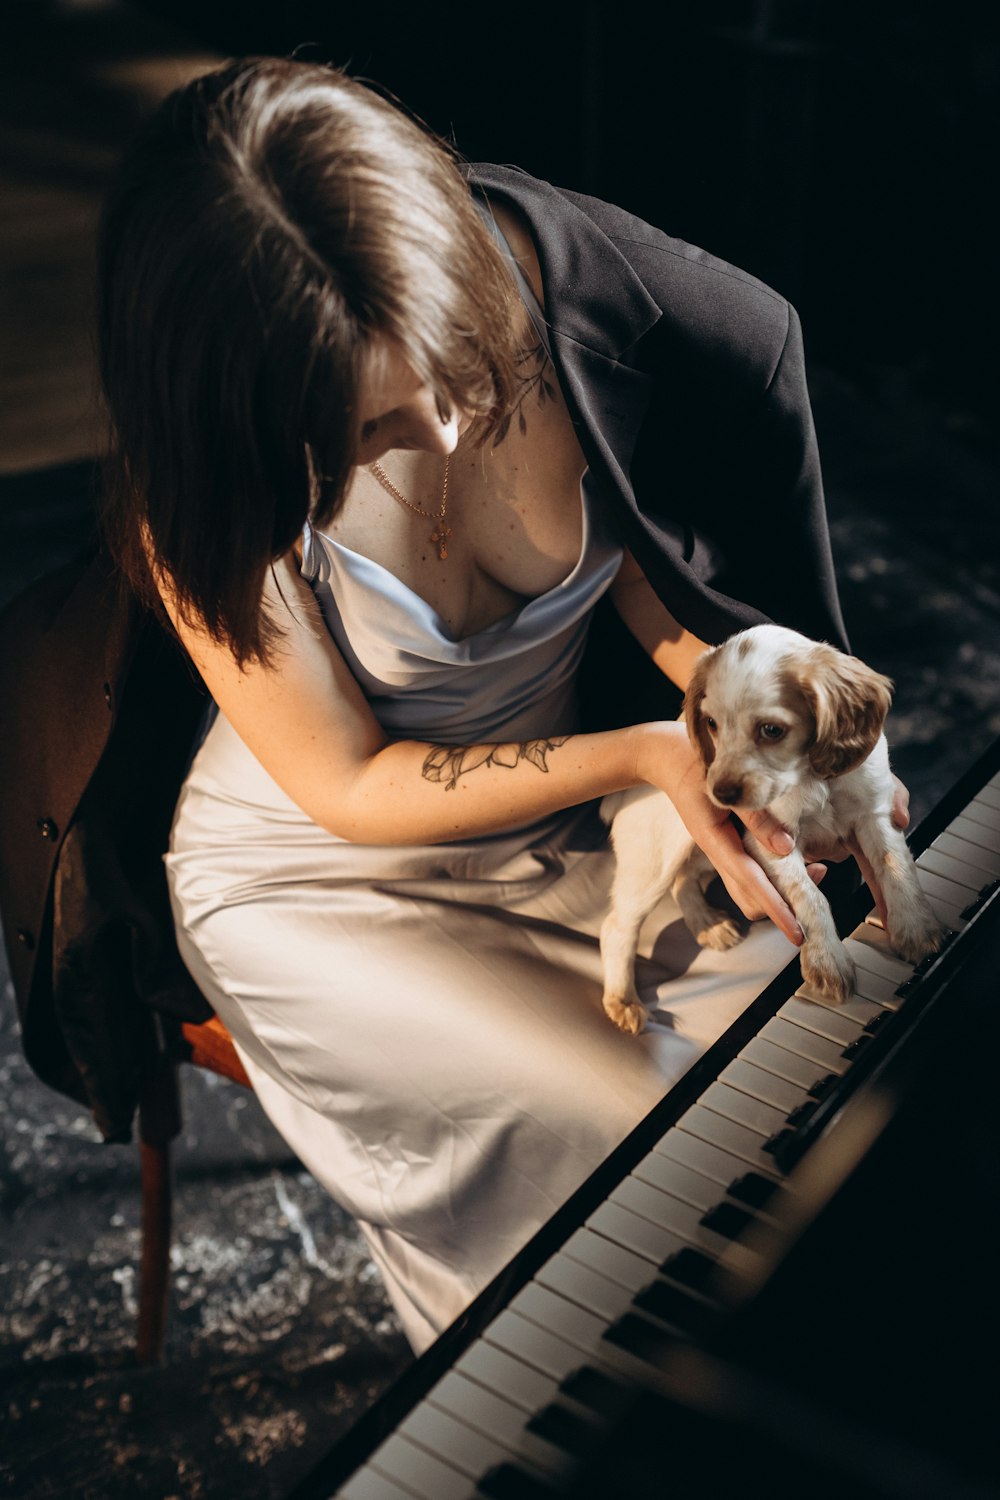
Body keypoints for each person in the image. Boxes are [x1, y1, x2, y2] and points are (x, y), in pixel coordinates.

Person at [93, 56, 903, 1353]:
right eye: (370, 434)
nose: (447, 437)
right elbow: (350, 783)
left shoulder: (603, 333)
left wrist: (728, 693)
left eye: (453, 379)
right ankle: (546, 1416)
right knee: (619, 1130)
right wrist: (643, 757)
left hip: (588, 810)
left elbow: (651, 574)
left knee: (822, 1058)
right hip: (327, 872)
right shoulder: (207, 489)